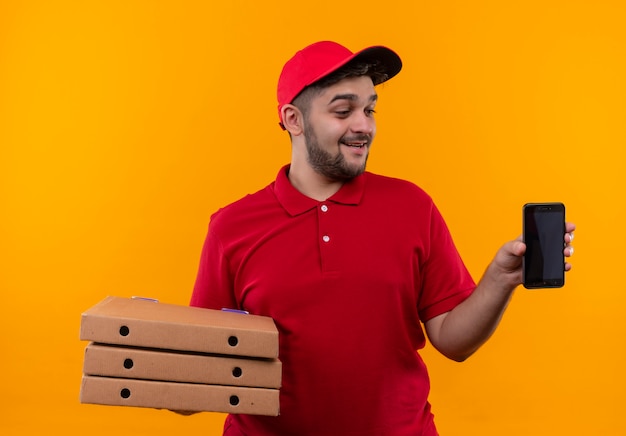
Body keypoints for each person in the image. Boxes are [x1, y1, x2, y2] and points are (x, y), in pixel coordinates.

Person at [189, 40, 575, 436]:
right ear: (293, 119)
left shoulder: (412, 206)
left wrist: (501, 278)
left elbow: (453, 342)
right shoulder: (232, 227)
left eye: (370, 109)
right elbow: (198, 368)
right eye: (343, 111)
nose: (364, 126)